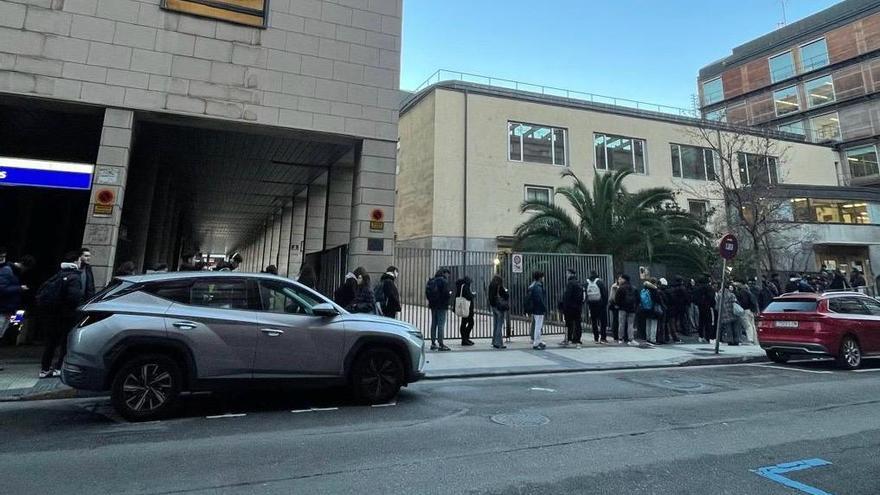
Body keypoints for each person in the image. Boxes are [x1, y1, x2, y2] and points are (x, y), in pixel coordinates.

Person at [38, 252, 85, 378]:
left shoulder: (58, 274)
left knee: (51, 343)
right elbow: (74, 298)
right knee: (65, 342)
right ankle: (59, 367)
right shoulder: (74, 277)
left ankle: (44, 368)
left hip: (52, 314)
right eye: (80, 260)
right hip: (67, 316)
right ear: (75, 262)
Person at [0, 255, 35, 345]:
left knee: (4, 331)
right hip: (4, 308)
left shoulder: (14, 272)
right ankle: (13, 340)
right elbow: (2, 288)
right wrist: (19, 288)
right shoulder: (8, 271)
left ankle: (12, 340)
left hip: (9, 308)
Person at [426, 268, 452, 351]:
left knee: (434, 324)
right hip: (442, 306)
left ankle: (433, 343)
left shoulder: (431, 281)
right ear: (444, 273)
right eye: (448, 274)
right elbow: (446, 294)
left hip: (433, 306)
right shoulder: (443, 281)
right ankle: (441, 344)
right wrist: (449, 294)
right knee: (441, 325)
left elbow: (427, 293)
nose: (448, 276)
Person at [614, 274, 639, 345]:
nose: (619, 280)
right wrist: (635, 307)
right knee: (630, 324)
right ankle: (631, 339)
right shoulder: (634, 288)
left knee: (621, 324)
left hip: (622, 309)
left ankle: (620, 339)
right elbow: (638, 299)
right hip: (632, 309)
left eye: (620, 279)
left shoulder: (621, 288)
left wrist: (618, 305)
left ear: (624, 279)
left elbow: (616, 299)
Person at [585, 270, 608, 344]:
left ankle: (596, 337)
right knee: (602, 322)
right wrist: (604, 303)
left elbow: (584, 294)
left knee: (594, 322)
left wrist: (587, 302)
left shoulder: (587, 282)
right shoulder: (600, 282)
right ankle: (603, 338)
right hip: (600, 305)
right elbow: (604, 294)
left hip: (591, 305)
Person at [488, 274, 510, 349]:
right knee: (499, 325)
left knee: (495, 324)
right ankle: (499, 343)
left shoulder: (491, 285)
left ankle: (494, 341)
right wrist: (506, 291)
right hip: (499, 307)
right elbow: (506, 295)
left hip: (493, 307)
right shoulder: (499, 286)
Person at [693, 275, 716, 343]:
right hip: (708, 306)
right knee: (709, 321)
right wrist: (712, 304)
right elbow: (712, 297)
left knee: (701, 321)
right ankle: (708, 337)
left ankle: (701, 336)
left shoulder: (697, 288)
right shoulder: (709, 288)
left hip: (700, 306)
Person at [640, 279, 663, 345]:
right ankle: (653, 339)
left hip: (646, 309)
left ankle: (648, 338)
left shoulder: (644, 289)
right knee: (654, 324)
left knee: (648, 323)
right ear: (654, 283)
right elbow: (658, 300)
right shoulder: (654, 290)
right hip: (653, 309)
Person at [528, 271, 547, 350]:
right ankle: (536, 343)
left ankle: (539, 341)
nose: (543, 278)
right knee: (538, 326)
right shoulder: (538, 286)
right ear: (540, 278)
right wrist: (544, 307)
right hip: (539, 309)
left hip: (535, 308)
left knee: (538, 325)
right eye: (542, 277)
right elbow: (540, 299)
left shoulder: (533, 285)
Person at [455, 276, 475, 346]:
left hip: (465, 308)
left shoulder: (460, 286)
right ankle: (464, 339)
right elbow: (468, 296)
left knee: (464, 323)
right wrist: (473, 295)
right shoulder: (465, 286)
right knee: (470, 323)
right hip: (467, 308)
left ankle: (465, 339)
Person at [608, 275, 622, 343]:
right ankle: (616, 336)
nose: (620, 280)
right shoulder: (614, 286)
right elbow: (612, 297)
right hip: (615, 305)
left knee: (618, 321)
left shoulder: (620, 286)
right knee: (616, 321)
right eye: (619, 279)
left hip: (619, 306)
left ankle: (618, 336)